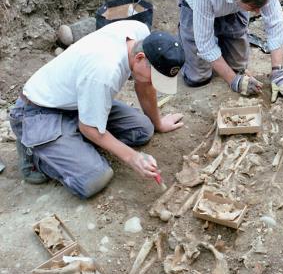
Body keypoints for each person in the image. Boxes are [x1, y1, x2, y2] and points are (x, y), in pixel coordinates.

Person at [9, 22, 185, 198]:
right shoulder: (104, 73)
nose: (155, 83)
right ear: (139, 58)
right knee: (94, 178)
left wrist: (158, 124)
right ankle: (33, 152)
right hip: (39, 111)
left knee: (143, 130)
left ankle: (72, 142)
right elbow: (89, 128)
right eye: (155, 77)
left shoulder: (140, 34)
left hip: (75, 101)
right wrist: (133, 158)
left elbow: (144, 85)